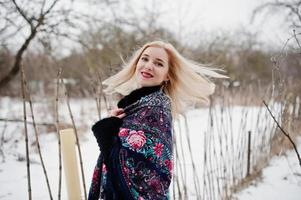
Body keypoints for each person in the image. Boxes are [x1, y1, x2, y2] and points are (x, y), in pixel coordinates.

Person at [88, 40, 226, 200]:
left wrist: (106, 131)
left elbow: (133, 166)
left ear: (167, 75)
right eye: (144, 59)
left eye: (159, 63)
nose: (148, 66)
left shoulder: (155, 109)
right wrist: (112, 124)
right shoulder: (135, 105)